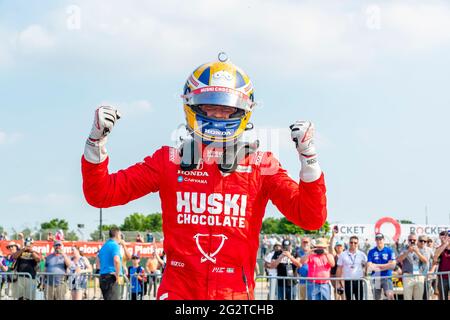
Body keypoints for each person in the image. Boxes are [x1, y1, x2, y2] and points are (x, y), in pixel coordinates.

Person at [81, 53, 328, 300]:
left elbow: (311, 217)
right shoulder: (168, 161)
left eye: (227, 108)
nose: (218, 115)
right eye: (210, 106)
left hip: (235, 296)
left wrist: (309, 159)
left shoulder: (261, 165)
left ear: (243, 111)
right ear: (192, 107)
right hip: (178, 294)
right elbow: (101, 194)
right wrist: (96, 141)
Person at [97, 227, 124, 300]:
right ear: (117, 235)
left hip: (103, 277)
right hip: (111, 278)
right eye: (120, 235)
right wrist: (117, 275)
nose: (121, 237)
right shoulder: (115, 245)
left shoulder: (104, 246)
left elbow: (98, 260)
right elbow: (116, 260)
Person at [336, 236, 367, 300]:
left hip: (359, 281)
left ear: (358, 244)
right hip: (348, 281)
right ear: (349, 243)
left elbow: (366, 265)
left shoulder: (362, 254)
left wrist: (365, 274)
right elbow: (339, 268)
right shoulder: (343, 254)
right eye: (351, 242)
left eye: (355, 243)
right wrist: (339, 282)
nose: (353, 244)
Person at [367, 233, 396, 300]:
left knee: (390, 296)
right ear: (375, 240)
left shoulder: (389, 250)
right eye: (377, 239)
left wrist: (376, 266)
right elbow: (369, 266)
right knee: (377, 298)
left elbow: (393, 266)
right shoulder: (371, 251)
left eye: (380, 239)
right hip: (376, 278)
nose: (379, 241)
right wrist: (387, 265)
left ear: (383, 240)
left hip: (387, 277)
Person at [433, 230, 449, 300]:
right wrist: (445, 244)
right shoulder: (440, 248)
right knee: (442, 297)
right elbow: (435, 257)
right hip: (443, 278)